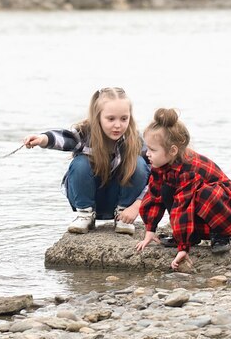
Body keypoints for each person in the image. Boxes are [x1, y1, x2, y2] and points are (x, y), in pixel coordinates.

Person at [23, 87, 150, 235]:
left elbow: (156, 175)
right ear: (98, 117)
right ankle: (85, 215)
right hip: (90, 198)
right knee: (80, 163)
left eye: (124, 118)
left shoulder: (135, 140)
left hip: (122, 203)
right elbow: (64, 138)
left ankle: (122, 217)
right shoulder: (85, 134)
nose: (118, 125)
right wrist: (42, 139)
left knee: (140, 164)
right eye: (111, 119)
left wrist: (136, 206)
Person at [135, 108, 231, 270]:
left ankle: (221, 236)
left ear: (173, 150)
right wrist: (150, 230)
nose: (147, 153)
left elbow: (183, 206)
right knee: (166, 189)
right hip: (200, 211)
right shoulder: (161, 164)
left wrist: (183, 248)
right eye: (148, 148)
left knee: (205, 193)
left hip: (225, 212)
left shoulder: (187, 171)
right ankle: (192, 236)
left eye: (153, 150)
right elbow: (154, 197)